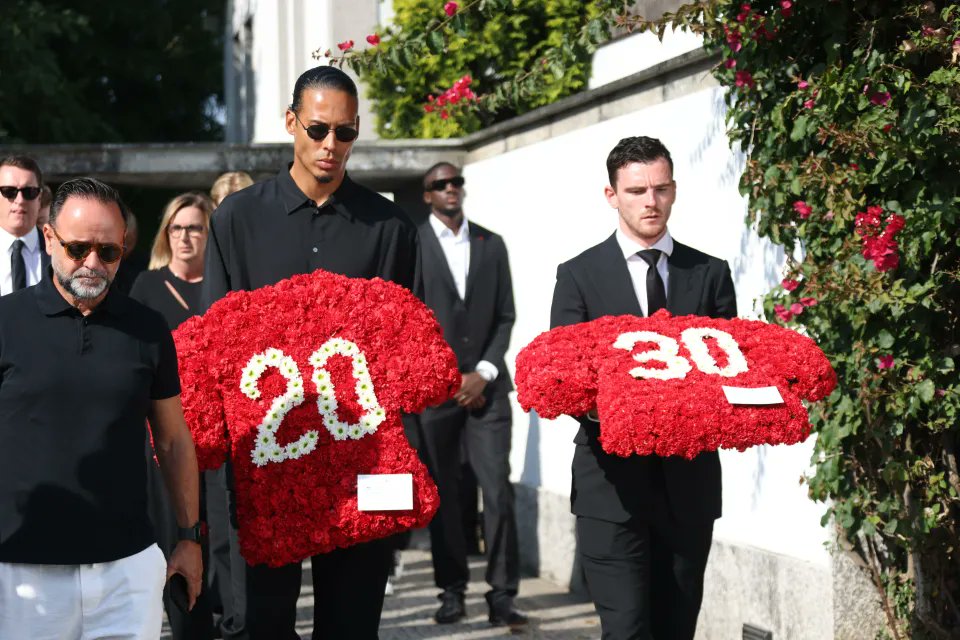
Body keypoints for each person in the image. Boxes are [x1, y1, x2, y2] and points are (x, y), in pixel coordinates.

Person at [201, 64, 420, 640]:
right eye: (318, 129)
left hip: (362, 458)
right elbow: (216, 345)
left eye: (345, 132)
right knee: (264, 625)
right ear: (291, 123)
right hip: (266, 461)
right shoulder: (236, 219)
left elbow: (406, 349)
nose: (330, 145)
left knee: (352, 627)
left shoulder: (390, 227)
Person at [549, 136, 737, 640]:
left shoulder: (710, 273)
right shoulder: (578, 275)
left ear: (674, 190)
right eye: (636, 191)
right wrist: (621, 412)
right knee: (627, 630)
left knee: (677, 629)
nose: (650, 202)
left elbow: (731, 368)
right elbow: (563, 376)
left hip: (689, 486)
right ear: (612, 195)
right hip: (609, 488)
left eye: (660, 188)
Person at [0, 177, 203, 639]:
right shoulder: (6, 322)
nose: (92, 263)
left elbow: (173, 440)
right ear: (48, 237)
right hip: (21, 574)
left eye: (108, 251)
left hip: (126, 572)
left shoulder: (148, 329)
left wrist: (190, 537)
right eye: (78, 249)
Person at [414, 162, 526, 627]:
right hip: (436, 393)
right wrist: (449, 378)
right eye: (439, 184)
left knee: (497, 492)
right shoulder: (414, 244)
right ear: (427, 195)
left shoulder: (490, 243)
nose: (450, 189)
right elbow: (409, 320)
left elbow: (506, 315)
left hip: (489, 390)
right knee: (444, 495)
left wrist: (482, 372)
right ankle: (451, 591)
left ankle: (502, 595)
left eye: (455, 181)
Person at [131, 192, 216, 640]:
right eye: (176, 228)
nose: (185, 237)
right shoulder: (146, 287)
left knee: (220, 544)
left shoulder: (223, 285)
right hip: (167, 432)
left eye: (195, 227)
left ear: (209, 232)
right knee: (176, 538)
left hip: (222, 437)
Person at [0, 155, 49, 295]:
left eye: (29, 192)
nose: (20, 200)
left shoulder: (59, 253)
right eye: (9, 191)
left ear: (39, 198)